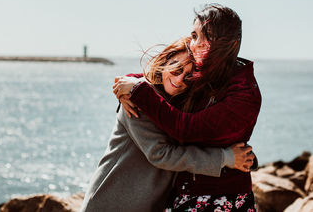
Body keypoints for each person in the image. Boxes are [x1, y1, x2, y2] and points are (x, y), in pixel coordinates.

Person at [113, 3, 262, 211]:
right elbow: (165, 78)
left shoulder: (244, 93)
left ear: (231, 44)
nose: (196, 45)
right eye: (194, 35)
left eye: (208, 37)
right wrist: (129, 84)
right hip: (184, 194)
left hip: (223, 197)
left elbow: (187, 130)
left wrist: (138, 91)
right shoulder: (204, 73)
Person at [80, 37, 255, 212]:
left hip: (146, 205)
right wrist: (225, 158)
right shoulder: (138, 101)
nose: (179, 80)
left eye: (188, 76)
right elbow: (161, 154)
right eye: (176, 68)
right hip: (111, 203)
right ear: (165, 61)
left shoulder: (180, 108)